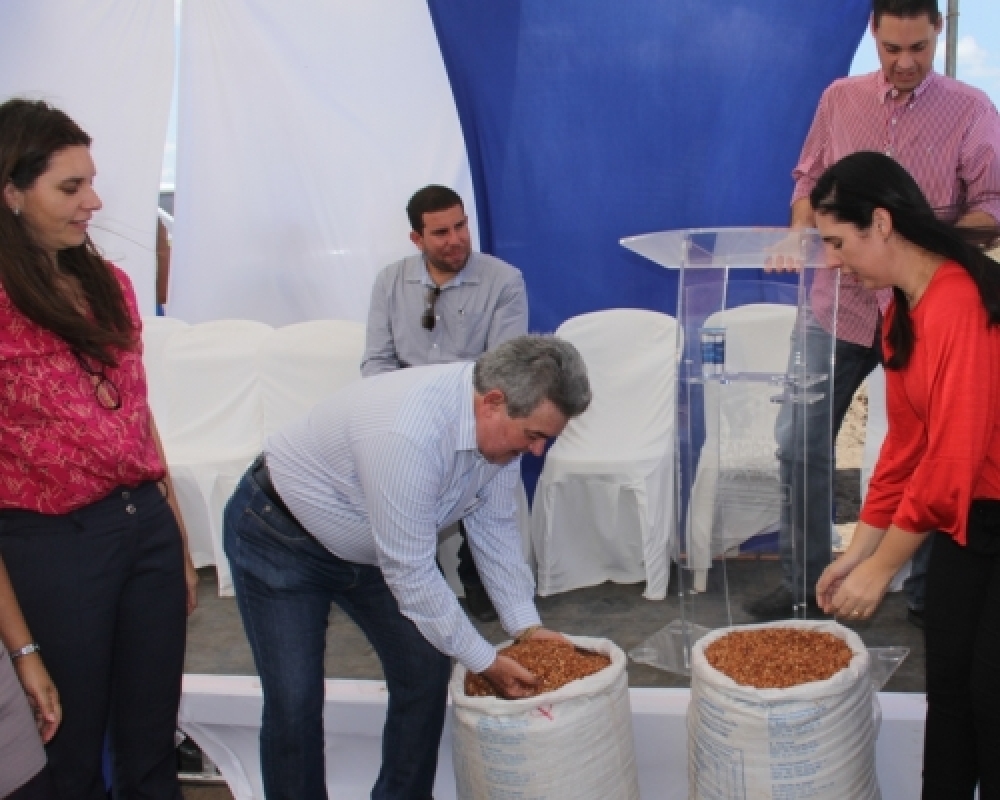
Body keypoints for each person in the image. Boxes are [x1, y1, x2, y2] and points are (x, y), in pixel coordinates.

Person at [224, 335, 591, 800]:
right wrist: (484, 660)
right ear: (493, 402)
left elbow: (494, 524)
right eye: (534, 435)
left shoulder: (500, 437)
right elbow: (412, 573)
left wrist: (525, 626)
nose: (537, 451)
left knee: (423, 668)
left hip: (379, 547)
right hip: (280, 538)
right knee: (294, 702)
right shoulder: (407, 431)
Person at [746, 0, 1000, 623]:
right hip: (835, 314)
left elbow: (992, 208)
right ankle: (808, 583)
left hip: (920, 312)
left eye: (918, 48)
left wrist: (915, 246)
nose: (905, 63)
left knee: (942, 446)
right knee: (798, 444)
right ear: (873, 35)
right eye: (892, 49)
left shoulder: (972, 110)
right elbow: (808, 184)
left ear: (940, 31)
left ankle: (924, 592)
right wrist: (801, 234)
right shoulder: (839, 98)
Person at [0, 98, 199, 798]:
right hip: (54, 544)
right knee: (69, 755)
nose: (95, 200)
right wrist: (21, 646)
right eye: (70, 187)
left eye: (91, 182)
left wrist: (171, 532)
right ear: (12, 193)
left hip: (139, 522)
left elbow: (137, 418)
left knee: (151, 745)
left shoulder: (107, 282)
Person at [811, 151, 1000, 799]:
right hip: (965, 522)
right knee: (947, 689)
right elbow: (904, 450)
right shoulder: (903, 309)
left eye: (838, 241)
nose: (833, 261)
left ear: (882, 223)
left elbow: (950, 462)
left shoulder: (959, 301)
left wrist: (883, 568)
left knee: (991, 699)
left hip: (987, 508)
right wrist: (855, 554)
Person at [362, 184, 530, 622]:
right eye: (440, 233)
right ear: (417, 239)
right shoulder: (390, 281)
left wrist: (453, 413)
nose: (455, 239)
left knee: (493, 457)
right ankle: (419, 579)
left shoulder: (504, 281)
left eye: (460, 226)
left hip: (475, 413)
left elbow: (503, 370)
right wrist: (406, 414)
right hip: (406, 414)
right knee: (389, 465)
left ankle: (481, 579)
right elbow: (376, 363)